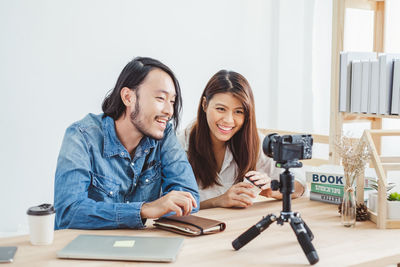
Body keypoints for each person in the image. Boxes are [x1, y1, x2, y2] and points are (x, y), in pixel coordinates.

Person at [54, 57, 199, 229]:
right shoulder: (81, 136)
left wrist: (167, 206)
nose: (169, 111)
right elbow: (68, 213)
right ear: (128, 97)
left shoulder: (163, 135)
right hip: (86, 248)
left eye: (172, 101)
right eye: (161, 98)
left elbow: (189, 198)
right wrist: (144, 210)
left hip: (141, 245)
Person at [178, 70, 305, 209]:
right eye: (221, 109)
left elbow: (300, 184)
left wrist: (275, 189)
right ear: (204, 105)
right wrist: (218, 201)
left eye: (238, 111)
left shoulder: (254, 141)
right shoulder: (181, 144)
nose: (228, 120)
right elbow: (172, 205)